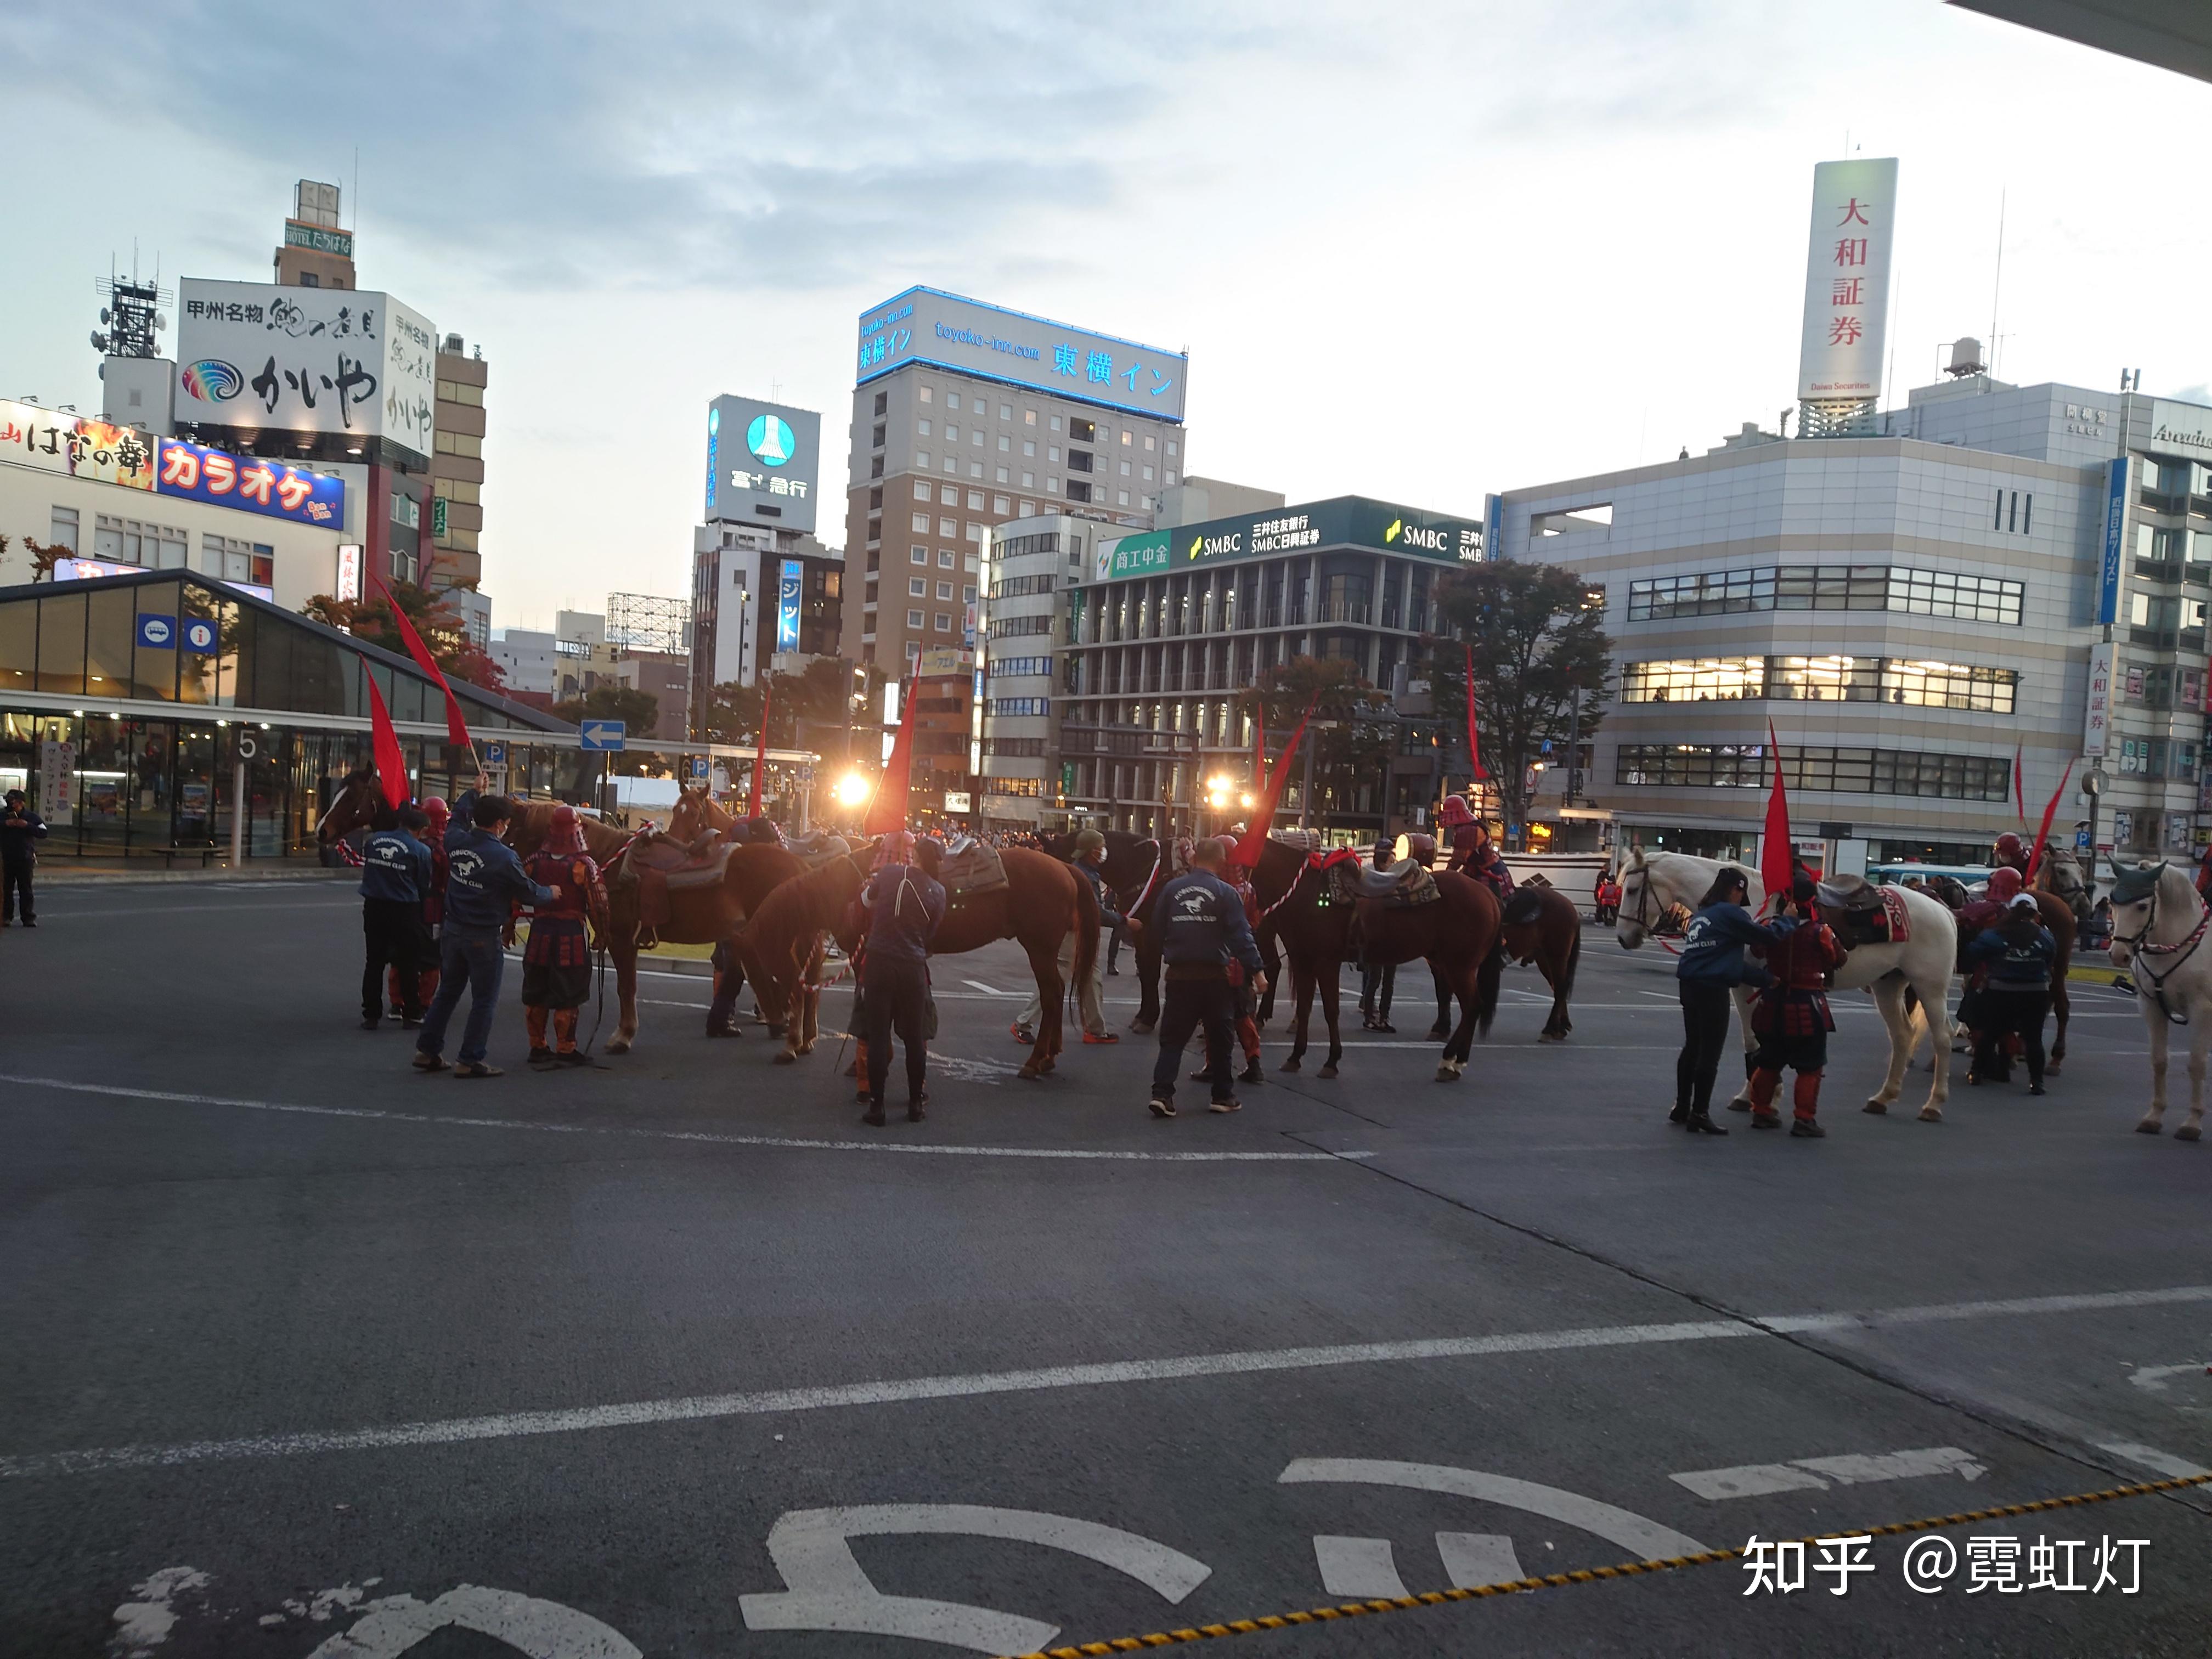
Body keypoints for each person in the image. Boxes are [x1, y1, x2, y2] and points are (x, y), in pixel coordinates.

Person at [414, 791, 555, 1079]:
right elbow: (528, 893)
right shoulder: (504, 857)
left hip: (453, 929)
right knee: (484, 1000)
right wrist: (550, 893)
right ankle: (469, 1058)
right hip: (483, 935)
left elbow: (458, 814)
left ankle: (427, 1050)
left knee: (448, 992)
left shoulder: (455, 840)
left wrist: (473, 791)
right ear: (502, 824)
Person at [1147, 837, 1266, 1119]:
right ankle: (1222, 1095)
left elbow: (1154, 933)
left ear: (1194, 858)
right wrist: (1258, 972)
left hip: (1179, 976)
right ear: (1223, 861)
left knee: (1173, 1039)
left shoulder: (1171, 889)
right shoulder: (1226, 893)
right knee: (1221, 1038)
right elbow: (1241, 936)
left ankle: (1162, 1094)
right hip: (1215, 978)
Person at [1670, 868, 1780, 1135]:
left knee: (1692, 1047)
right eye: (1741, 894)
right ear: (1736, 889)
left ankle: (1682, 1107)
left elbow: (1729, 963)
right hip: (1712, 989)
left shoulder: (1701, 916)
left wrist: (1766, 979)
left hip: (1689, 985)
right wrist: (1784, 922)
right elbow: (1766, 938)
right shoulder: (1731, 914)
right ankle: (1700, 1113)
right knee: (1710, 1052)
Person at [1745, 873, 1847, 1137]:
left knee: (1768, 1062)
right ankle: (1804, 1119)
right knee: (1810, 1067)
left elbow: (1756, 951)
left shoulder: (1769, 927)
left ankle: (1762, 1111)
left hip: (1771, 1005)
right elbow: (1838, 958)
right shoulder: (1821, 932)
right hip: (1807, 1004)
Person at [859, 830, 945, 1125]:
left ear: (915, 855)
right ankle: (915, 1105)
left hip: (880, 963)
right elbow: (931, 933)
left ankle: (877, 1106)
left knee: (879, 1036)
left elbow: (867, 901)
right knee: (914, 1039)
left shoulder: (890, 872)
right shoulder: (939, 891)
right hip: (913, 967)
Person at [520, 804, 609, 1066]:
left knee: (536, 992)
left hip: (539, 934)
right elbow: (599, 906)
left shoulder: (533, 862)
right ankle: (566, 1048)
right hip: (570, 935)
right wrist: (601, 935)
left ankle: (537, 1046)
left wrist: (507, 928)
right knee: (568, 994)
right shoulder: (584, 865)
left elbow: (515, 894)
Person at [1014, 828, 1120, 1045]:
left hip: (1076, 932)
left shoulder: (1083, 871)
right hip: (1073, 933)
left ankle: (1095, 1028)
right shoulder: (1084, 876)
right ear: (1093, 852)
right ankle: (1023, 1023)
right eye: (1101, 848)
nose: (1104, 852)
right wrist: (1124, 921)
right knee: (1059, 979)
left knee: (1091, 978)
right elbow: (1095, 912)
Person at [1966, 891, 2057, 1095]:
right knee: (2034, 1039)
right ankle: (2037, 1082)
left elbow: (1973, 952)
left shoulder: (1994, 933)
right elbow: (2052, 958)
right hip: (2036, 993)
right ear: (2035, 914)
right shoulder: (2045, 936)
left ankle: (1976, 1073)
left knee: (1990, 1034)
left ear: (2010, 910)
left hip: (2001, 992)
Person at [359, 804, 435, 1029]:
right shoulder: (420, 850)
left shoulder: (373, 841)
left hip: (373, 906)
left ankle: (371, 1014)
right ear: (421, 830)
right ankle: (411, 1013)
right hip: (404, 909)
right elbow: (423, 884)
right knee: (408, 963)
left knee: (374, 962)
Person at [1359, 834, 1398, 1032]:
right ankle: (1370, 1016)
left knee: (1386, 980)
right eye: (1392, 861)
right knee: (1375, 979)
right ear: (1382, 863)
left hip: (1389, 939)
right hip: (1378, 938)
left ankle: (1384, 1016)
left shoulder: (1389, 882)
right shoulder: (1377, 883)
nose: (1394, 863)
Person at [1, 787, 48, 927]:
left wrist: (27, 826)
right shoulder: (3, 816)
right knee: (5, 889)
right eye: (8, 801)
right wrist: (5, 824)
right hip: (5, 857)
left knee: (26, 889)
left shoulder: (31, 817)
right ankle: (5, 916)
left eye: (13, 801)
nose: (10, 804)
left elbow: (43, 832)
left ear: (22, 803)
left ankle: (28, 917)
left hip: (25, 857)